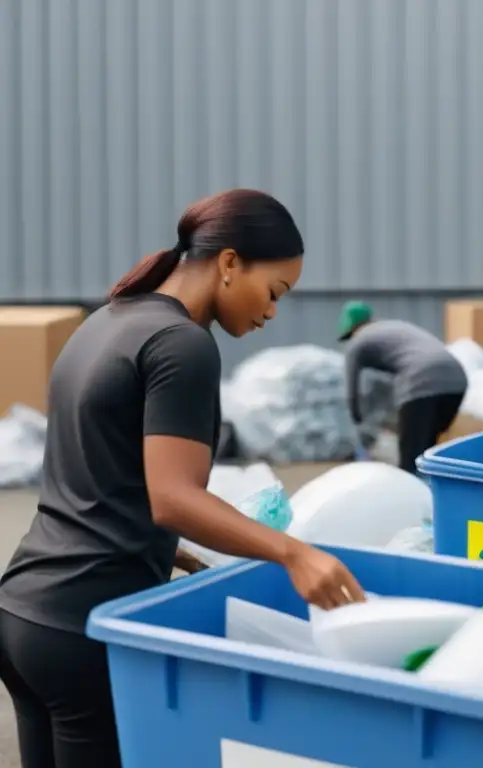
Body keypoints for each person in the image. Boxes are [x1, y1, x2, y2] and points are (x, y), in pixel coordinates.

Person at [0, 189, 365, 768]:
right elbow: (172, 498)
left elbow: (99, 474)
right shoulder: (184, 345)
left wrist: (166, 549)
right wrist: (294, 554)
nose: (272, 312)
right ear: (228, 263)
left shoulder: (110, 318)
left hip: (25, 613)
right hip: (84, 625)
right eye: (275, 292)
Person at [338, 301, 468, 474]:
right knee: (427, 455)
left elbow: (352, 392)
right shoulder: (393, 327)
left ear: (351, 329)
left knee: (410, 461)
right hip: (457, 380)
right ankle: (431, 494)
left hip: (422, 381)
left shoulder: (357, 342)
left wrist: (357, 423)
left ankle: (413, 497)